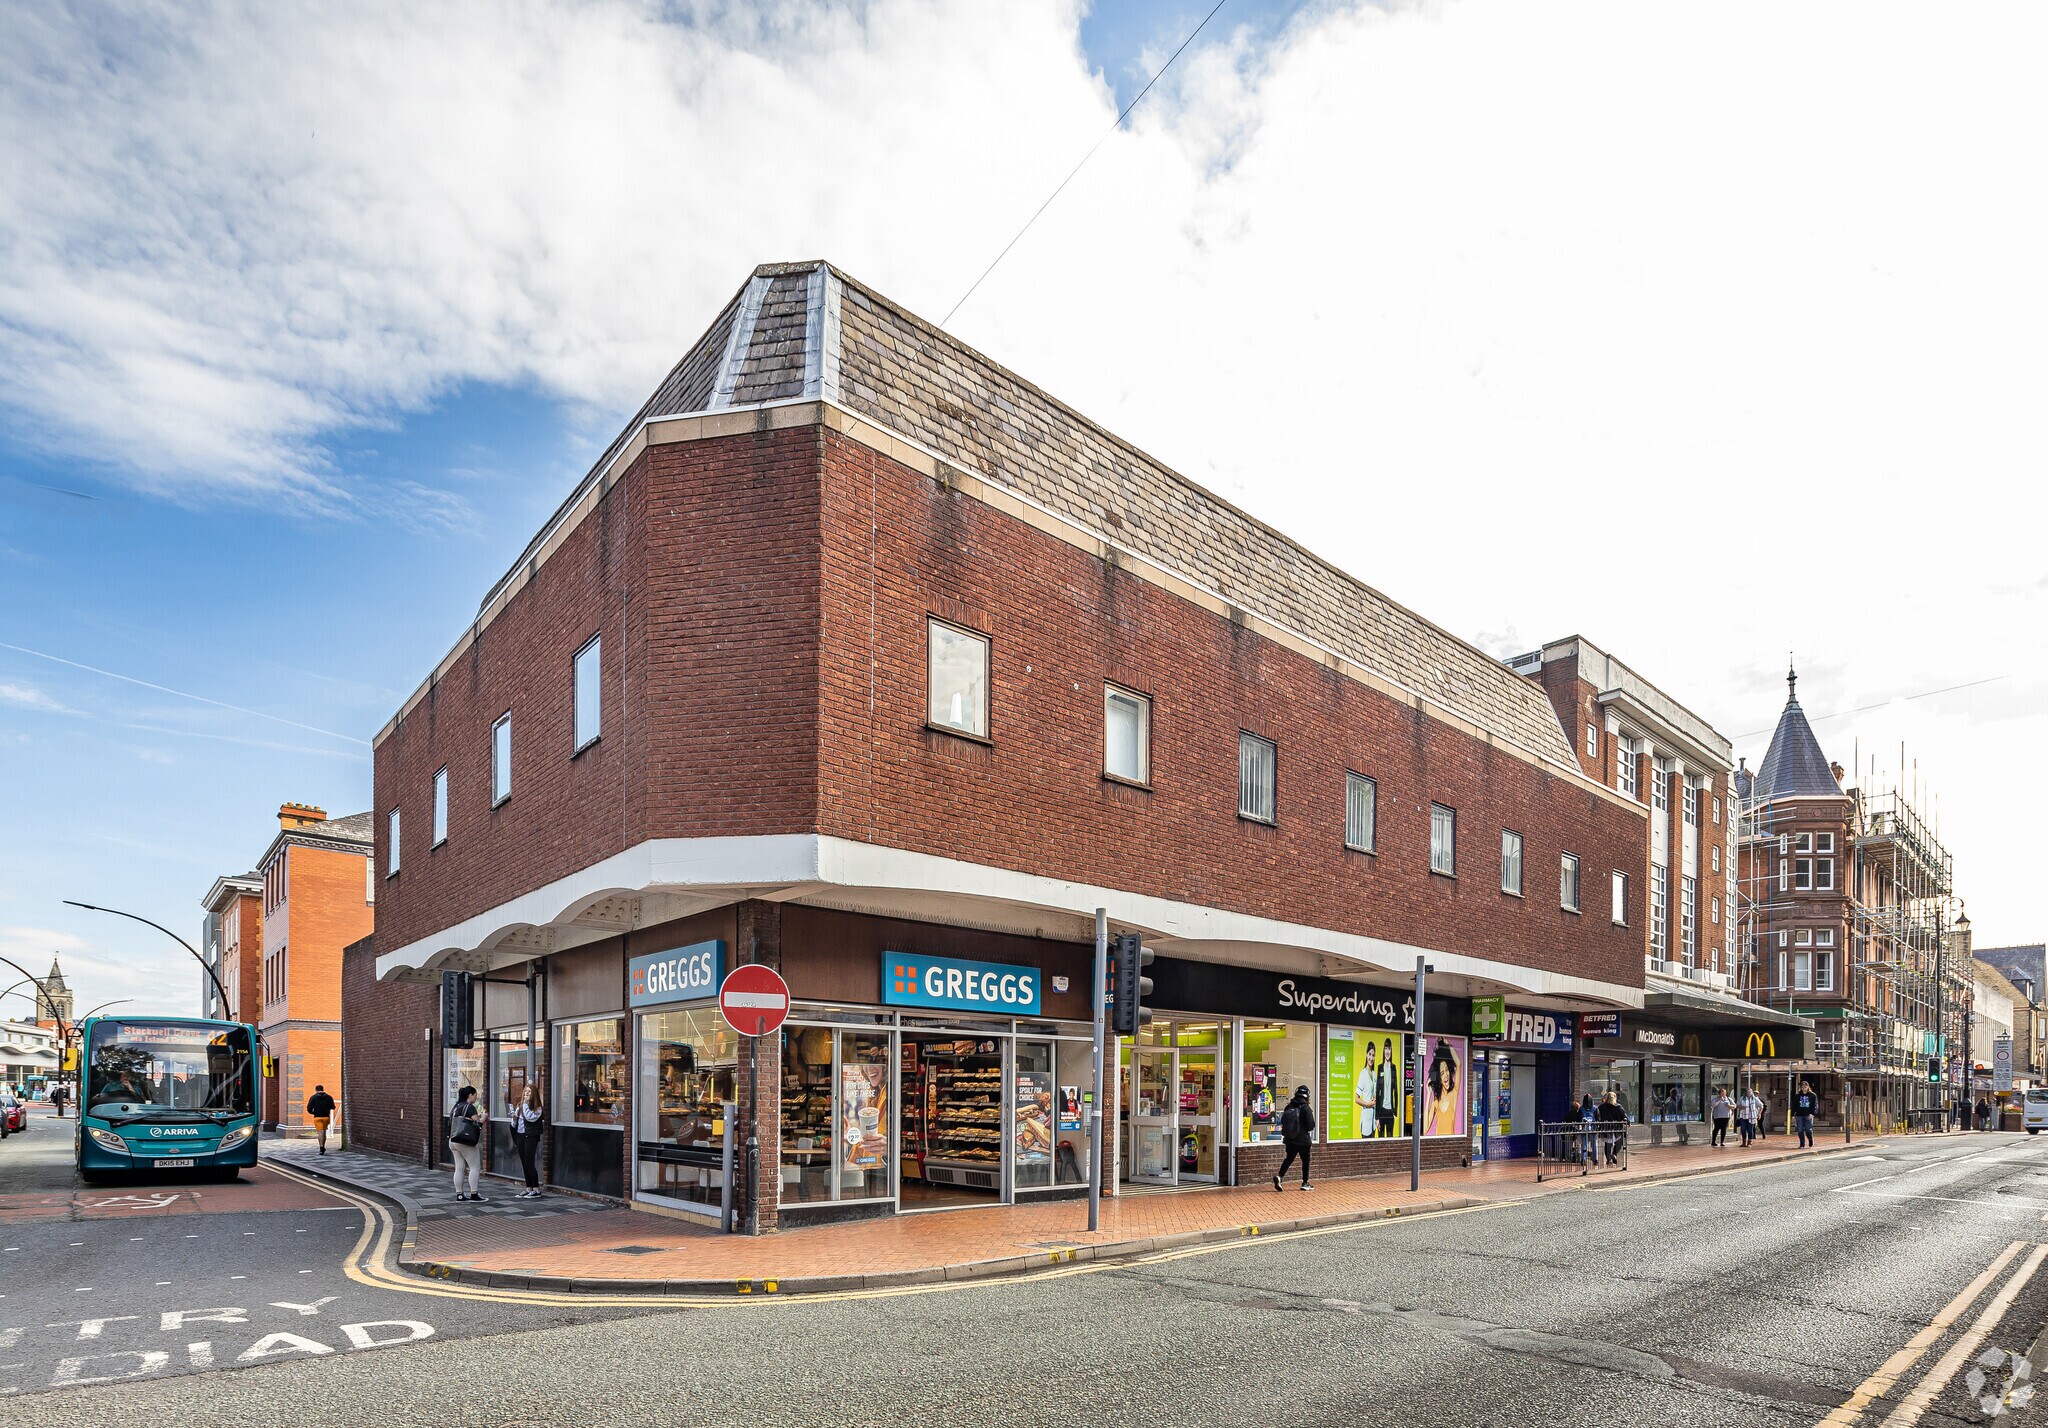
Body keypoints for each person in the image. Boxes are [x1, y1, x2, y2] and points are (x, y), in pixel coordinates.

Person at [448, 1084, 486, 1202]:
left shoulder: (456, 1106)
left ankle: (459, 1194)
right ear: (470, 1095)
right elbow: (478, 1124)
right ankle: (474, 1194)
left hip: (453, 1140)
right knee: (475, 1167)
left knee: (459, 1168)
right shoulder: (469, 1107)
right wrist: (484, 1117)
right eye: (475, 1095)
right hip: (464, 1141)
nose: (476, 1097)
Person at [1273, 1085, 1315, 1191]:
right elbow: (1310, 1126)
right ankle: (1305, 1183)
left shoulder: (1289, 1106)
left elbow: (1283, 1121)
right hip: (1303, 1140)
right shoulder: (1305, 1108)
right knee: (1305, 1161)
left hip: (1290, 1139)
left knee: (1289, 1158)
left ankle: (1280, 1176)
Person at [510, 1084, 546, 1199]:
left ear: (534, 1094)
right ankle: (529, 1187)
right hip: (520, 1135)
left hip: (530, 1136)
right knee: (524, 1162)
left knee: (529, 1162)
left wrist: (525, 1104)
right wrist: (514, 1119)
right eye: (525, 1091)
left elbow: (530, 1118)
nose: (526, 1094)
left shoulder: (537, 1108)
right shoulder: (520, 1106)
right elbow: (514, 1124)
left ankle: (536, 1189)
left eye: (529, 1092)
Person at [1597, 1091, 1629, 1165]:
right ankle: (1612, 1155)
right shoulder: (1618, 1107)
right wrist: (1627, 1121)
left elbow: (1598, 1116)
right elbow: (1624, 1116)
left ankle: (1610, 1158)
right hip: (1616, 1128)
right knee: (1618, 1143)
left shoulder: (1602, 1107)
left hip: (1607, 1128)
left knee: (1608, 1144)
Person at [304, 1084, 336, 1155]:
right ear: (323, 1089)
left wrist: (314, 1112)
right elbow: (333, 1107)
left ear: (316, 1090)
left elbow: (309, 1108)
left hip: (317, 1117)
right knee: (324, 1132)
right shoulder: (329, 1097)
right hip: (326, 1117)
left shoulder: (313, 1097)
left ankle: (321, 1148)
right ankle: (323, 1146)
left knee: (320, 1132)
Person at [1355, 1041, 1378, 1137]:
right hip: (1366, 1119)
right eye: (1369, 1054)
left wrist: (1377, 1119)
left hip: (1373, 1120)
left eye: (1373, 1055)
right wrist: (1368, 1104)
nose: (1371, 1058)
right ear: (1366, 1054)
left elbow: (1375, 1095)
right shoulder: (1363, 1074)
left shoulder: (1375, 1074)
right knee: (1366, 1144)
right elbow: (1356, 1099)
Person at [1792, 1080, 1819, 1147]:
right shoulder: (1797, 1096)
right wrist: (1793, 1114)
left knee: (1808, 1129)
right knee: (1800, 1130)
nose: (1804, 1087)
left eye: (1805, 1086)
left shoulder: (1812, 1095)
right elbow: (1794, 1105)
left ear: (1808, 1086)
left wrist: (1813, 1113)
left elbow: (1815, 1105)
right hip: (1799, 1114)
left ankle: (1810, 1139)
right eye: (1802, 1086)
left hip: (1808, 1114)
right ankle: (1802, 1144)